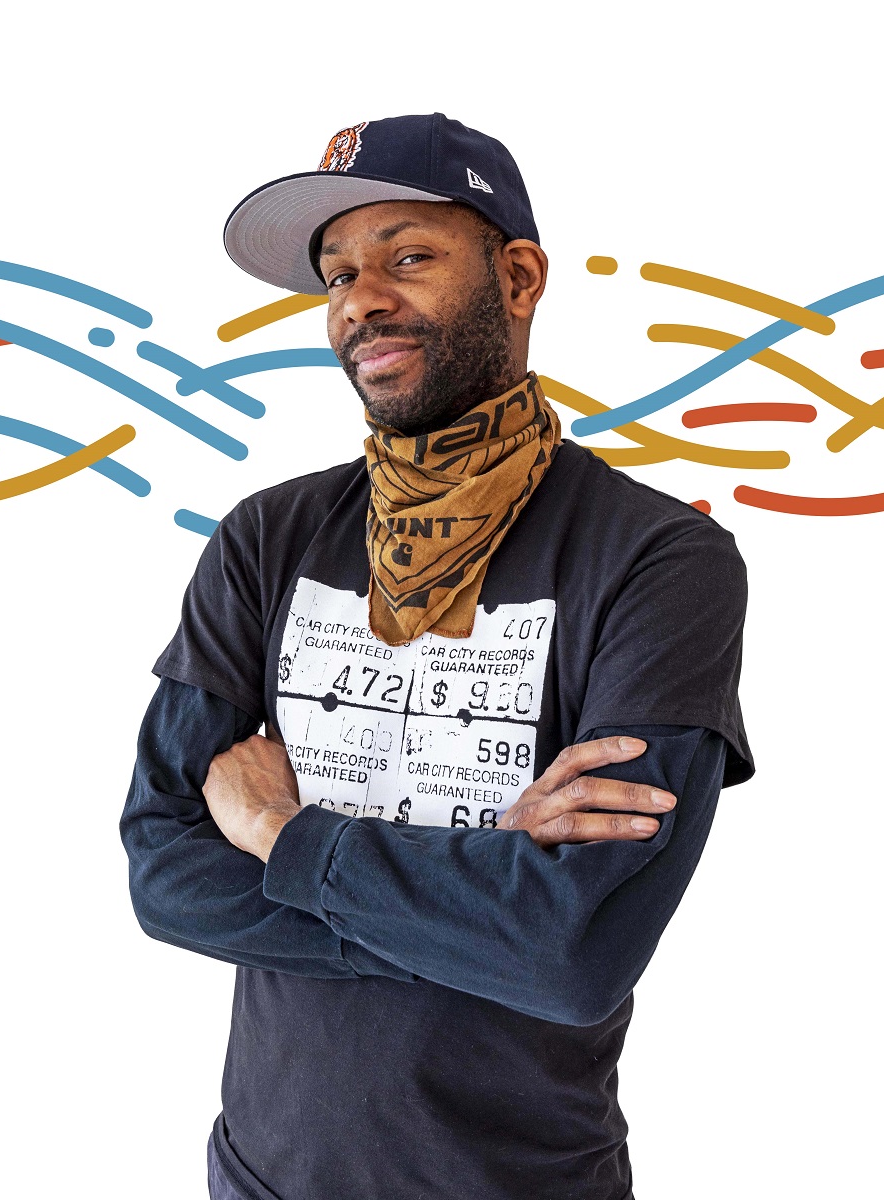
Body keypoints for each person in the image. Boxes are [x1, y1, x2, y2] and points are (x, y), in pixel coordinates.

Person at [120, 113, 754, 1200]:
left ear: (518, 278)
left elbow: (575, 954)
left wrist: (280, 835)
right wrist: (480, 902)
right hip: (260, 1177)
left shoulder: (659, 559)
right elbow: (163, 876)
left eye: (407, 257)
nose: (359, 301)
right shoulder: (266, 539)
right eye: (337, 275)